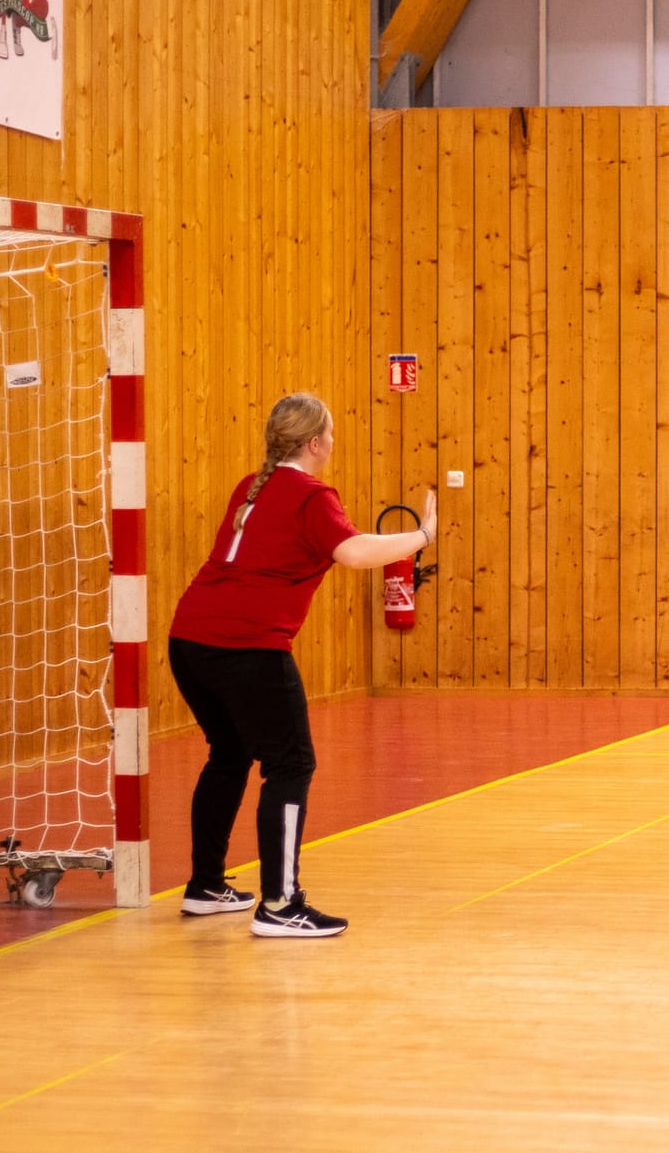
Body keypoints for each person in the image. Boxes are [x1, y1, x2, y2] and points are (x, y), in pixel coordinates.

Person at [167, 392, 437, 938]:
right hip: (247, 646)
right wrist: (423, 535)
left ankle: (205, 886)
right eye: (330, 434)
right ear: (315, 443)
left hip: (190, 640)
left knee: (230, 754)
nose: (333, 442)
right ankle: (280, 904)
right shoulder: (311, 494)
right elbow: (354, 552)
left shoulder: (252, 486)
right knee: (290, 764)